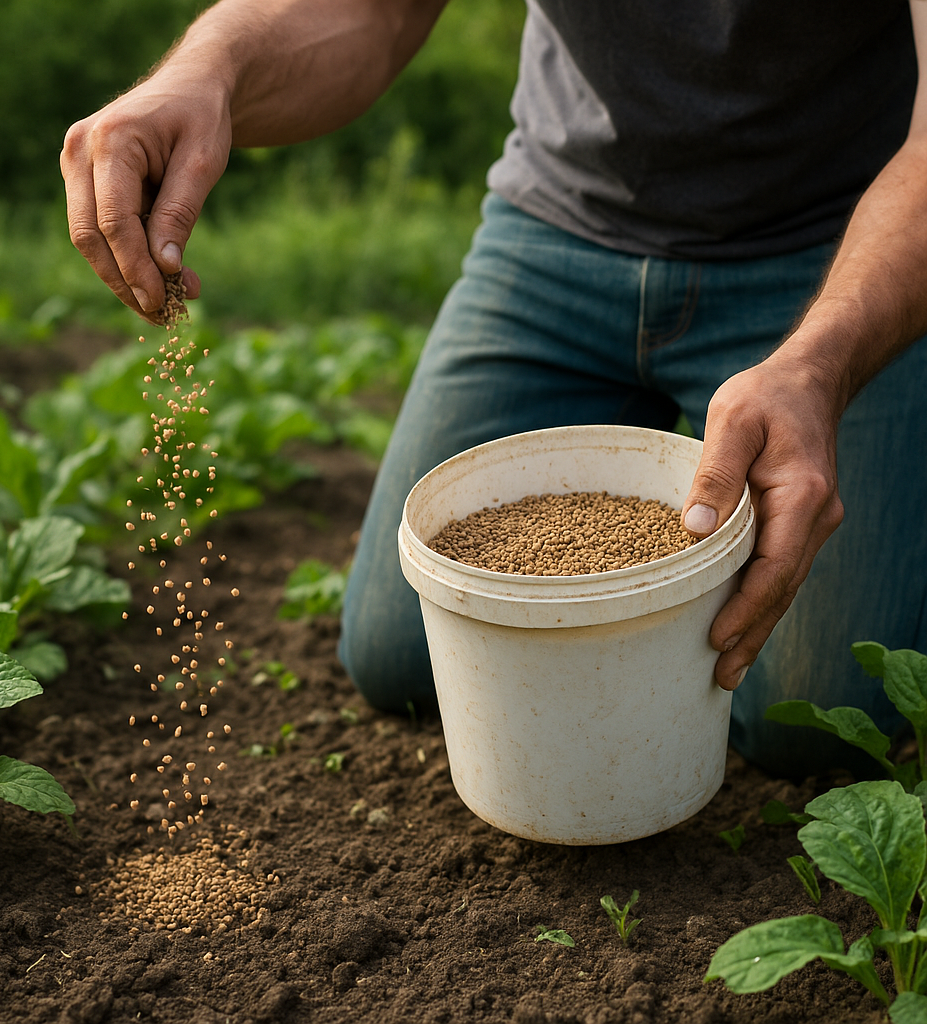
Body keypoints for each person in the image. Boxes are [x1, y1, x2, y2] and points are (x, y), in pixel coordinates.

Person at [62, 0, 927, 780]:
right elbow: (372, 13)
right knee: (407, 655)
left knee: (813, 722)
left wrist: (822, 361)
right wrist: (211, 65)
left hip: (837, 257)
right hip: (559, 236)